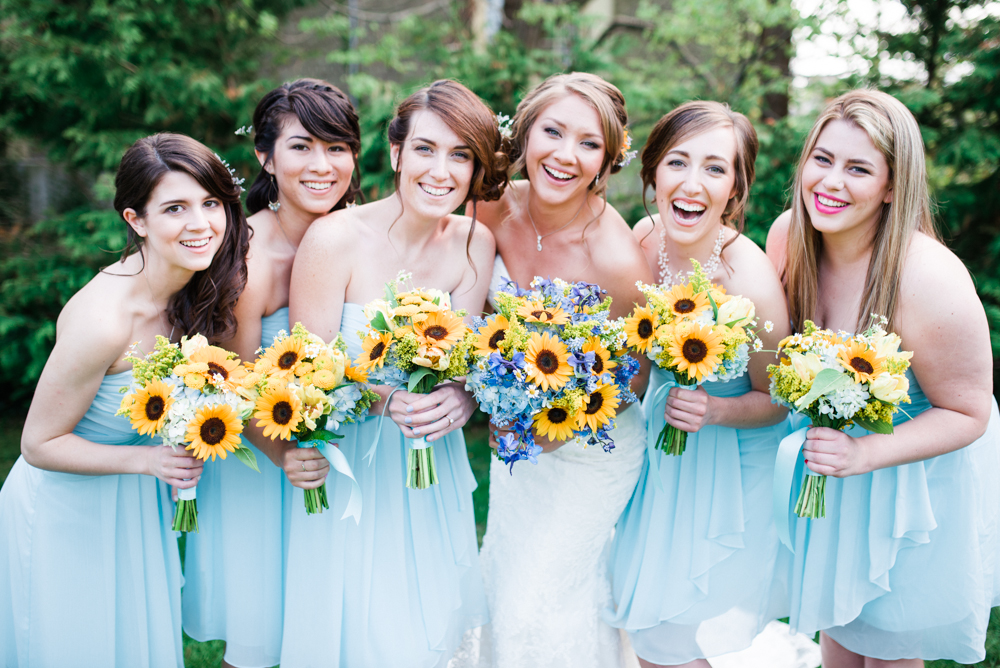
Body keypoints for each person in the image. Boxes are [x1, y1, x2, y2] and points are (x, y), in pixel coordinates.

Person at [766, 88, 1000, 666]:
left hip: (914, 478)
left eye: (858, 169)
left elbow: (970, 412)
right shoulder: (787, 240)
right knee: (839, 638)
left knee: (890, 648)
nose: (831, 182)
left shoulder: (929, 278)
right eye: (822, 160)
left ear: (892, 187)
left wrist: (865, 454)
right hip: (836, 466)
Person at [0, 133, 250, 667]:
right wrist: (149, 459)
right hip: (67, 511)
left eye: (211, 203)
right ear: (136, 219)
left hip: (132, 500)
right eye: (175, 208)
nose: (201, 223)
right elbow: (38, 443)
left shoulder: (189, 289)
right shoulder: (104, 320)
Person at [281, 79, 507, 668]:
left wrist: (461, 398)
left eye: (461, 155)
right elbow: (310, 369)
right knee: (358, 624)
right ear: (395, 153)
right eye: (427, 149)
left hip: (432, 466)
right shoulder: (334, 239)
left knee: (428, 625)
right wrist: (385, 401)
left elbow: (464, 361)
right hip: (356, 466)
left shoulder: (475, 242)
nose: (442, 171)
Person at [468, 71, 653, 668]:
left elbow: (633, 377)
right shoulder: (491, 205)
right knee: (505, 582)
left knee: (537, 598)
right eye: (553, 131)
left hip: (592, 448)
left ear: (607, 160)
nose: (565, 155)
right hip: (517, 444)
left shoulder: (614, 256)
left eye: (589, 143)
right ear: (524, 133)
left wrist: (553, 429)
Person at [181, 78, 361, 668]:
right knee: (264, 632)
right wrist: (289, 455)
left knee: (333, 626)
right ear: (265, 156)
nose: (322, 165)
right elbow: (231, 381)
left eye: (337, 148)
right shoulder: (247, 256)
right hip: (263, 464)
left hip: (337, 453)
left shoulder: (359, 235)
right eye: (301, 146)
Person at [605, 101, 792, 668]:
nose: (692, 184)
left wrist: (714, 410)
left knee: (673, 637)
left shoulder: (749, 280)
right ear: (653, 172)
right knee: (649, 629)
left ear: (735, 188)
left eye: (715, 168)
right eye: (678, 163)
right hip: (663, 454)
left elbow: (778, 401)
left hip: (729, 468)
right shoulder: (643, 237)